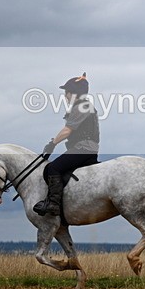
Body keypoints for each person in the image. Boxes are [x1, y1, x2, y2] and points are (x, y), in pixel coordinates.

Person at [32, 73, 100, 217]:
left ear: (74, 93)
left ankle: (53, 204)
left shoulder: (82, 107)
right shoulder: (83, 106)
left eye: (66, 93)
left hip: (83, 149)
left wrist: (53, 143)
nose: (65, 96)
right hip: (87, 149)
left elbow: (68, 130)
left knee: (52, 168)